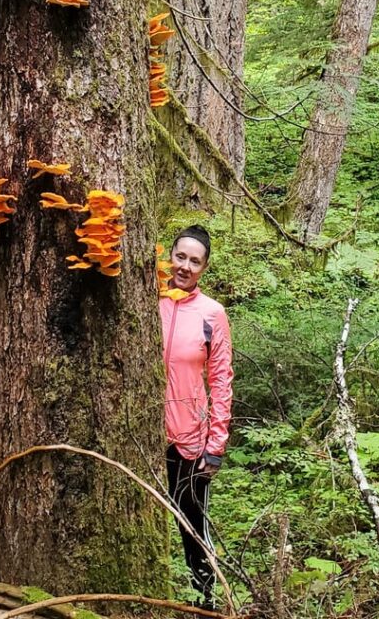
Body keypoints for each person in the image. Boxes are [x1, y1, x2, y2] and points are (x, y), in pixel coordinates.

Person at [160, 225, 234, 609]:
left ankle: (204, 604)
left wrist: (215, 444)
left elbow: (221, 380)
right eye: (180, 257)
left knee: (192, 527)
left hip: (189, 440)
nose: (185, 266)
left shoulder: (212, 313)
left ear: (204, 267)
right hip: (144, 432)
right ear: (169, 256)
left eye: (195, 261)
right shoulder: (148, 298)